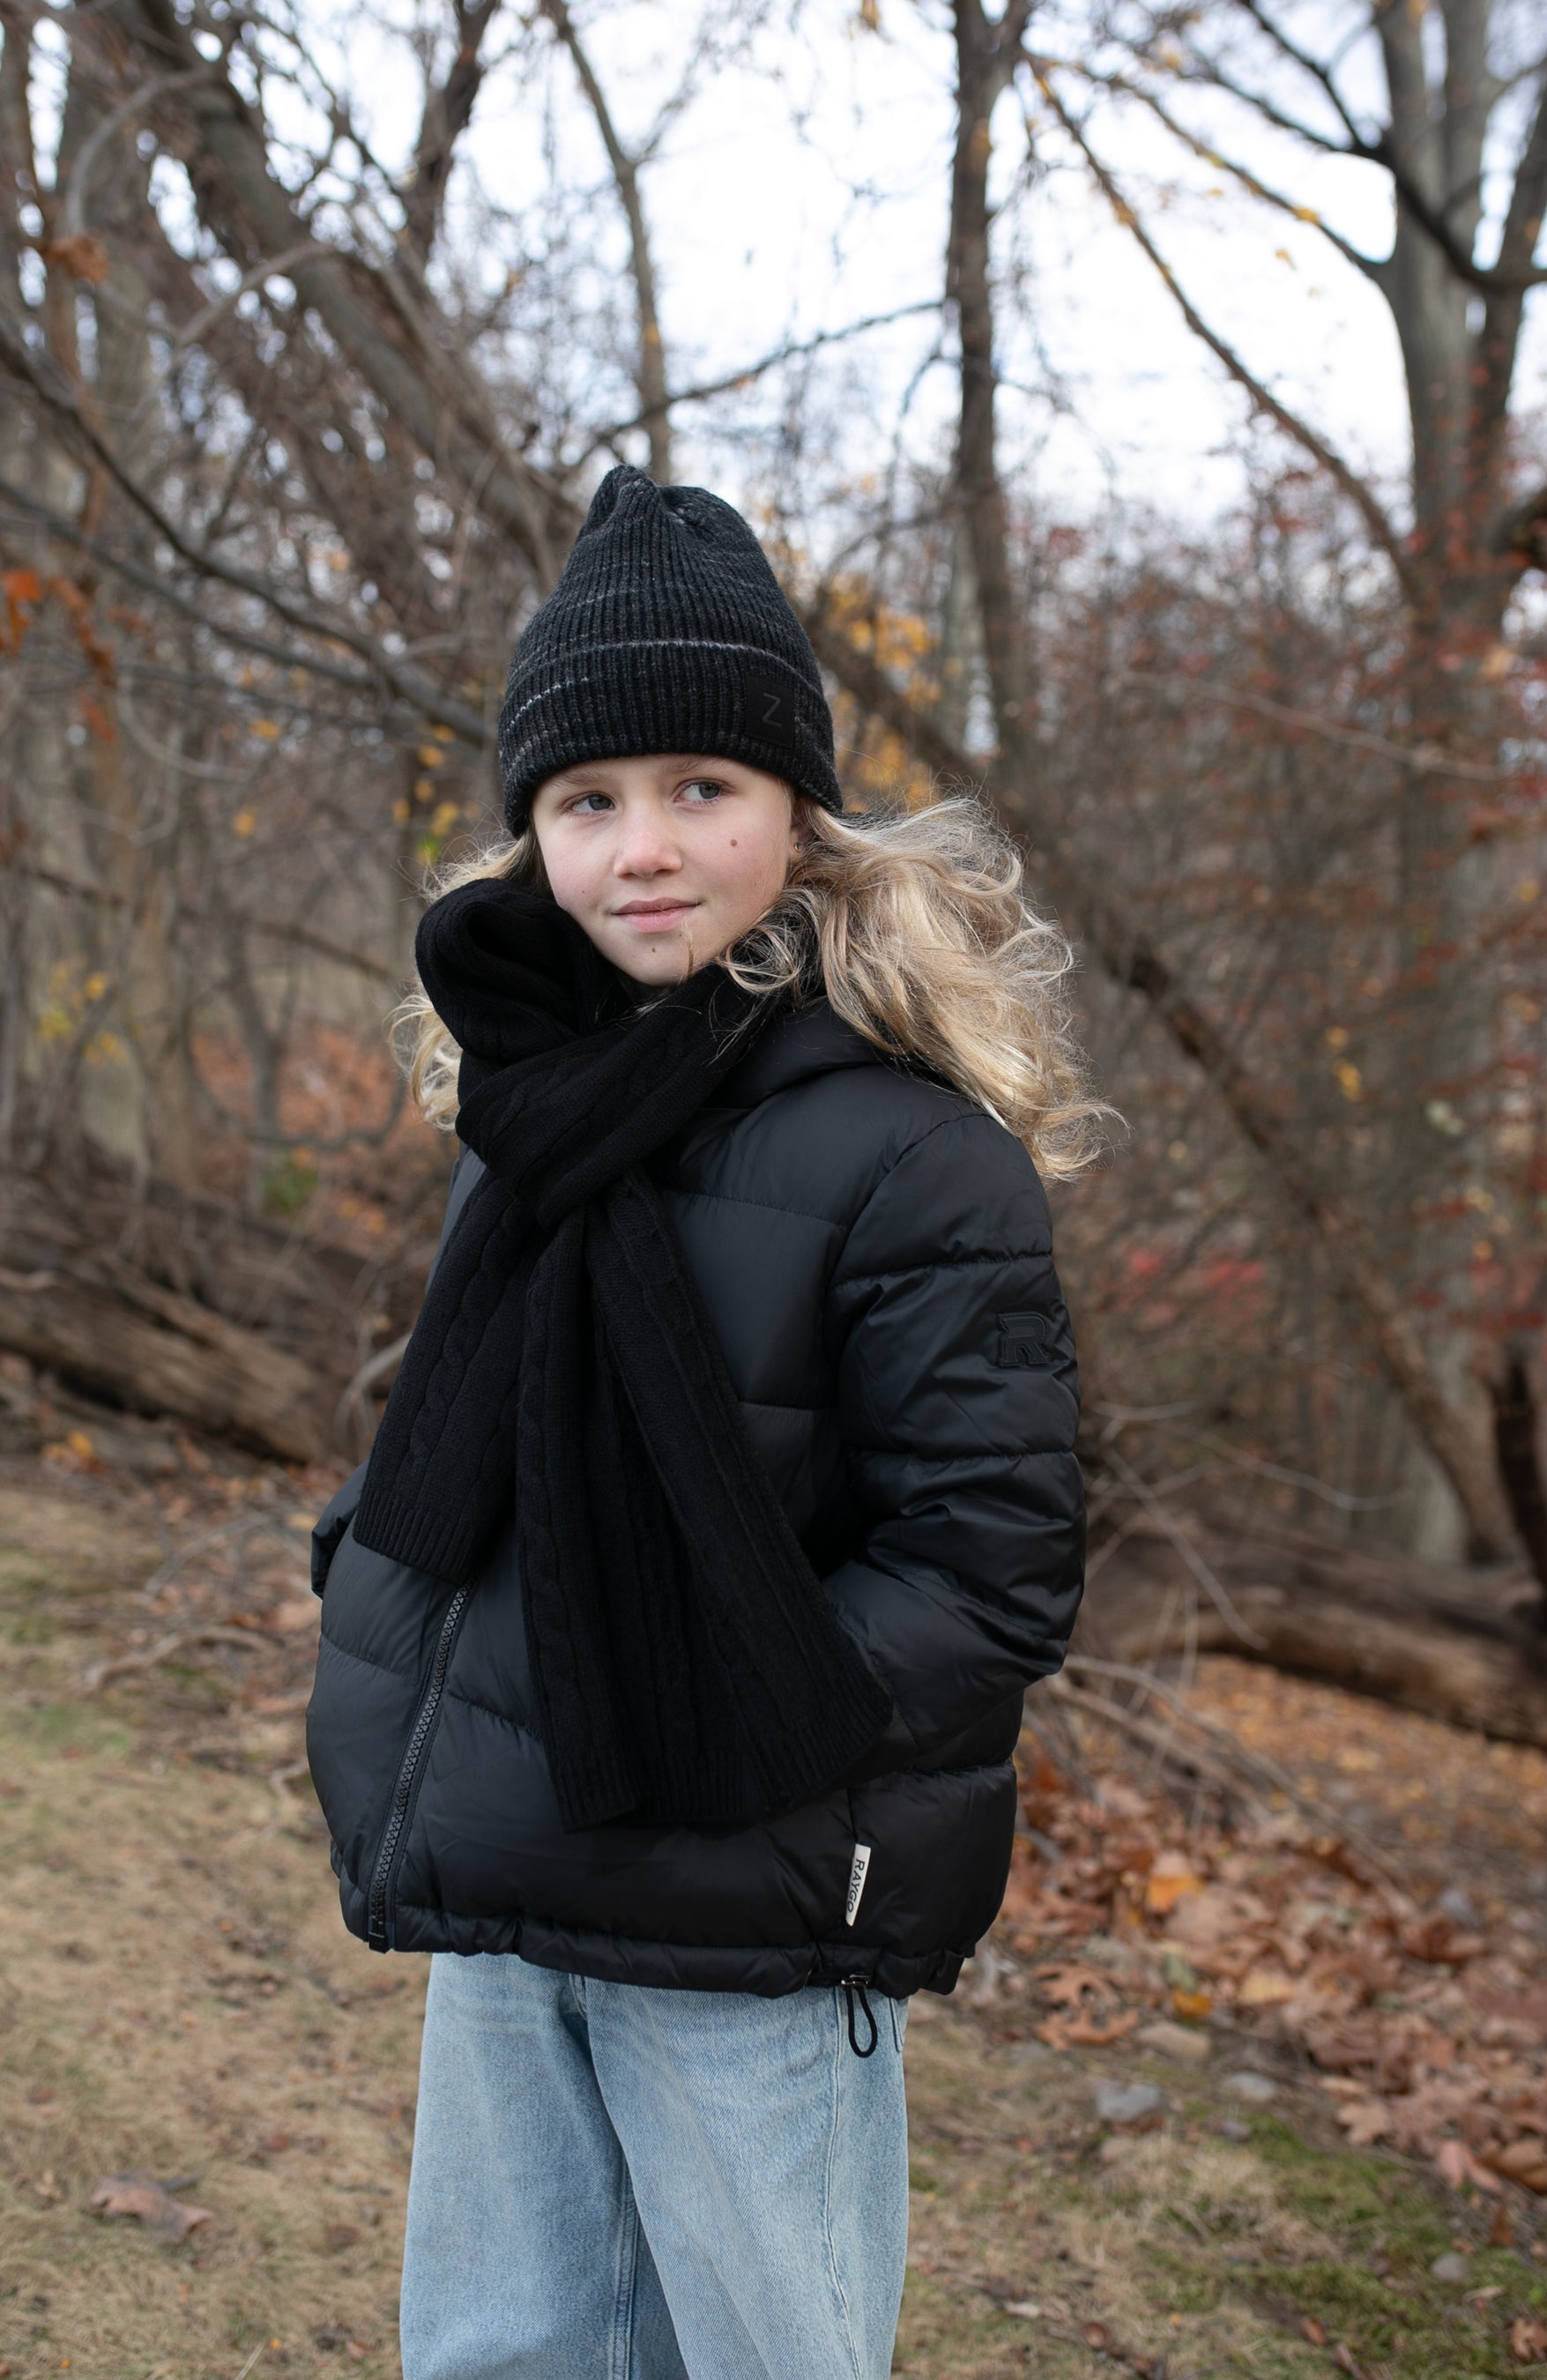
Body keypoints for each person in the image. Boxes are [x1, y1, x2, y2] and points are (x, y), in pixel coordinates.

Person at [305, 464, 1096, 2380]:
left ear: (798, 819)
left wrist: (734, 1718)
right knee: (500, 2350)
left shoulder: (919, 1155)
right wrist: (380, 1627)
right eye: (588, 802)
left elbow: (988, 1578)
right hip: (518, 1880)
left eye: (700, 791)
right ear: (532, 839)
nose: (641, 849)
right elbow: (455, 1465)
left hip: (752, 1892)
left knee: (759, 2355)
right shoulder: (533, 1121)